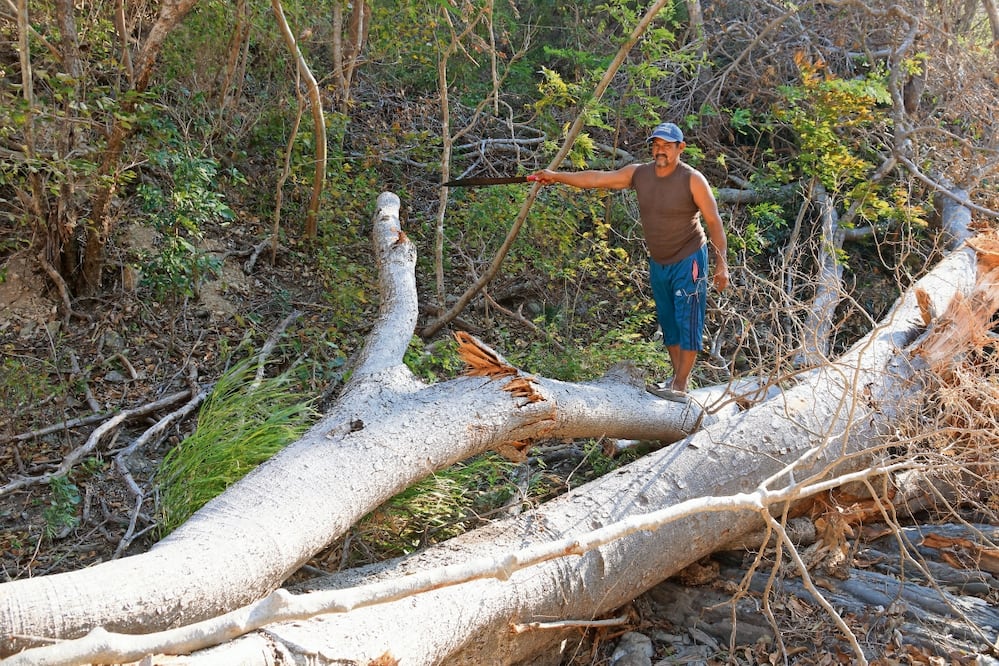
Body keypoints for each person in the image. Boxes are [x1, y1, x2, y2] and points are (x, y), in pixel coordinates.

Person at [530, 122, 728, 400]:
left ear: (680, 148)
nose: (661, 151)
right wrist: (556, 176)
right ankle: (675, 379)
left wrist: (722, 265)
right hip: (659, 262)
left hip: (689, 257)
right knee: (669, 321)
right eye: (657, 145)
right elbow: (598, 178)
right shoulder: (640, 173)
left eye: (667, 146)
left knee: (688, 319)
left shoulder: (692, 179)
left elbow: (714, 222)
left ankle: (681, 385)